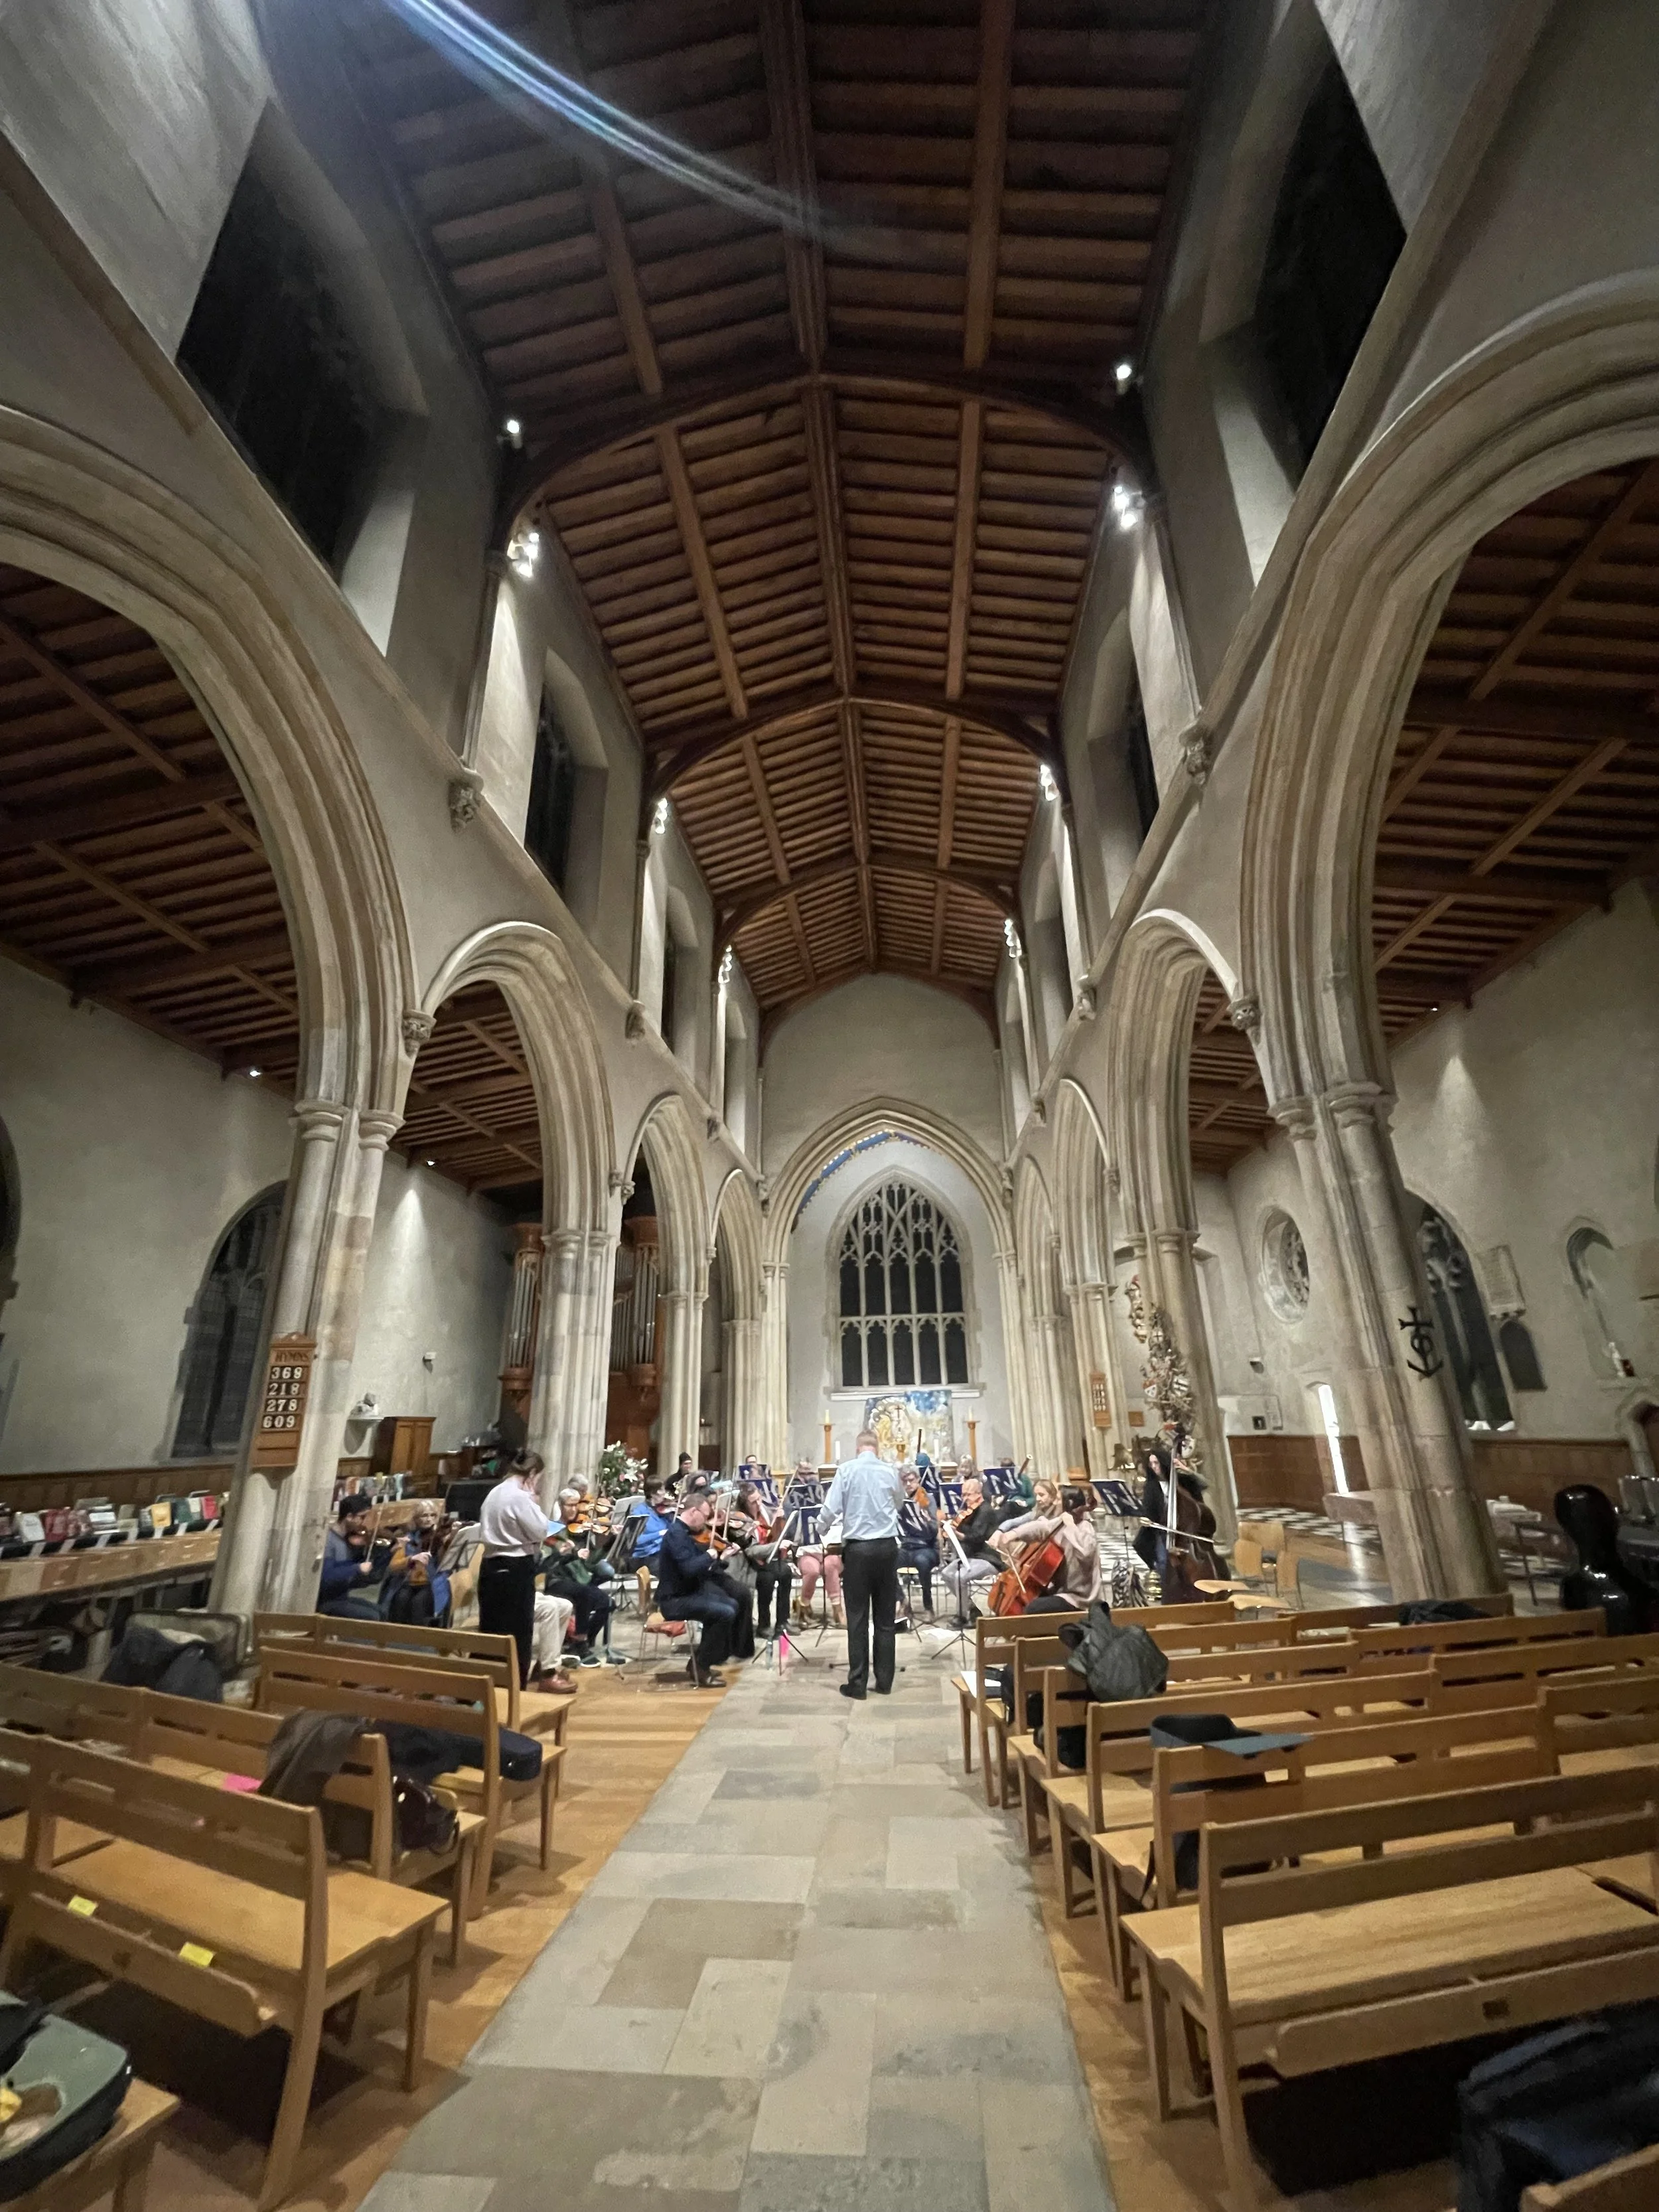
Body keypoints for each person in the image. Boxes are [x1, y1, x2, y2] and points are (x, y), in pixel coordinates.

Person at [819, 1428, 904, 1701]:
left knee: (857, 1619)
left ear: (858, 1449)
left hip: (858, 1551)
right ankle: (885, 1681)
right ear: (877, 1449)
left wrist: (820, 1528)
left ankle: (857, 1684)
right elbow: (899, 1504)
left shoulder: (846, 1471)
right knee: (885, 1619)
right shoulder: (890, 1471)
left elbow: (831, 1509)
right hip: (887, 1548)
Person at [654, 1492, 755, 1686]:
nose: (707, 1521)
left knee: (732, 1604)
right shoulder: (676, 1535)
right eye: (706, 1515)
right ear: (694, 1511)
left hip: (688, 1592)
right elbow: (689, 1569)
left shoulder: (684, 1533)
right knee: (724, 1612)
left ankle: (700, 1661)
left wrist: (721, 1558)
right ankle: (701, 1667)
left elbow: (700, 1569)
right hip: (674, 1600)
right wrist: (709, 1555)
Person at [477, 1450, 551, 1686]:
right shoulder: (520, 1497)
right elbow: (541, 1530)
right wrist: (534, 1502)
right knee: (518, 1633)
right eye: (539, 1477)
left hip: (490, 1566)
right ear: (532, 1473)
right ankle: (514, 1690)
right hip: (515, 1567)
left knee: (491, 1630)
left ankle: (486, 1689)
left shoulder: (494, 1493)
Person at [995, 1483, 1102, 1605]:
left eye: (1058, 1499)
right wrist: (1013, 1534)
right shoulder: (1061, 1522)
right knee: (1030, 1600)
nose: (1055, 1503)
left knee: (1034, 1607)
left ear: (1070, 1503)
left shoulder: (1086, 1528)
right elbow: (1042, 1527)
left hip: (1079, 1597)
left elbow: (1086, 1553)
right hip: (1061, 1590)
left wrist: (1071, 1526)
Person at [726, 1480, 794, 1639]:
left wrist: (779, 1520)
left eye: (759, 1499)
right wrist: (777, 1546)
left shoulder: (764, 1511)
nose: (759, 1504)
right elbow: (752, 1550)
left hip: (765, 1559)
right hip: (747, 1565)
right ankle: (764, 1624)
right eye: (753, 1502)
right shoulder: (738, 1520)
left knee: (785, 1572)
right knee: (766, 1579)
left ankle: (783, 1621)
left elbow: (773, 1535)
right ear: (744, 1504)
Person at [940, 1473, 1004, 1625]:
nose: (965, 1498)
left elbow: (977, 1536)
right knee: (946, 1573)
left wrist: (958, 1534)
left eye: (968, 1495)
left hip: (988, 1558)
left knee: (960, 1577)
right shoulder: (970, 1512)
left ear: (978, 1494)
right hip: (971, 1557)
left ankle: (961, 1616)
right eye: (963, 1495)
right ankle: (971, 1608)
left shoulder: (986, 1510)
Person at [318, 1494, 381, 1619]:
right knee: (373, 1617)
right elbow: (326, 1577)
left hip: (341, 1597)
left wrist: (378, 1551)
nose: (365, 1523)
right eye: (362, 1517)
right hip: (327, 1601)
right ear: (349, 1517)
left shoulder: (346, 1539)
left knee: (381, 1612)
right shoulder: (329, 1541)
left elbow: (358, 1579)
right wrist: (357, 1568)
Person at [897, 1463, 940, 1619]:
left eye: (911, 1480)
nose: (908, 1484)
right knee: (886, 1560)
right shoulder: (899, 1500)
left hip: (926, 1548)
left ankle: (928, 1607)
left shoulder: (927, 1499)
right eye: (905, 1481)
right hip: (907, 1546)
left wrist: (927, 1520)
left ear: (918, 1480)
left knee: (922, 1562)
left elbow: (935, 1530)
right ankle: (902, 1600)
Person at [623, 1481, 673, 1609]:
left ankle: (662, 1602)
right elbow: (636, 1540)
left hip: (661, 1552)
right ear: (652, 1494)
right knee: (670, 1571)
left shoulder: (664, 1512)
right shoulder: (640, 1512)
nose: (665, 1494)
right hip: (643, 1556)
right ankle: (659, 1603)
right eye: (662, 1490)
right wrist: (660, 1534)